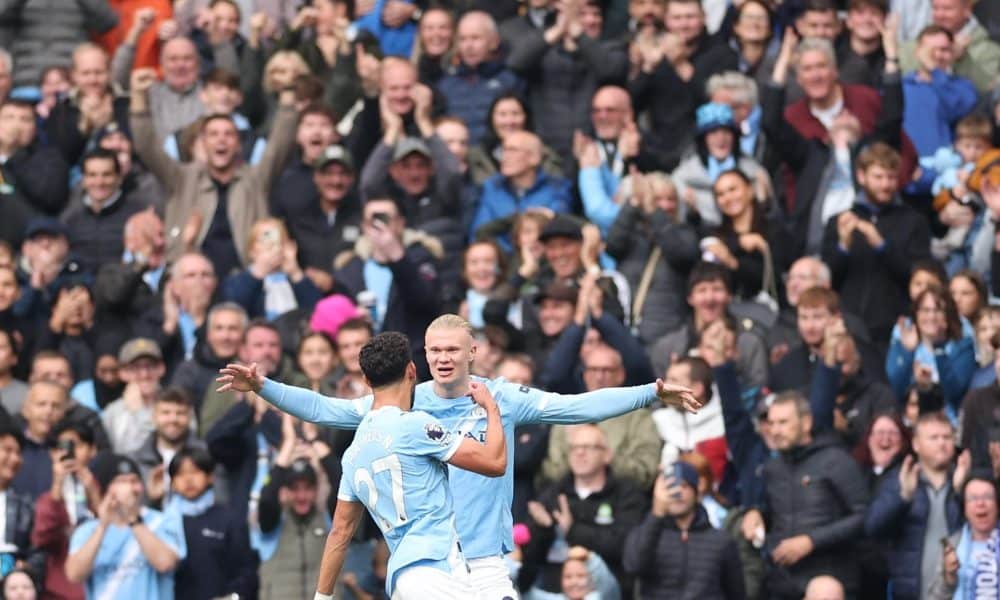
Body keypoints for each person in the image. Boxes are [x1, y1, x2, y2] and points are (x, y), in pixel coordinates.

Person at [219, 313, 699, 598]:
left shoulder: (502, 397)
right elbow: (329, 409)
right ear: (420, 358)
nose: (443, 358)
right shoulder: (406, 403)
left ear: (474, 351)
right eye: (433, 351)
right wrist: (264, 387)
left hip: (485, 558)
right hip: (432, 562)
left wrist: (649, 393)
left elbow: (575, 407)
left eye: (452, 349)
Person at [307, 331, 508, 598]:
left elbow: (339, 532)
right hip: (436, 572)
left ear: (366, 380)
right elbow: (494, 463)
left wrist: (322, 596)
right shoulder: (415, 425)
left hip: (401, 578)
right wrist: (491, 408)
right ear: (412, 370)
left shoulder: (353, 454)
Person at [128, 67, 299, 275]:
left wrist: (288, 91)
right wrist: (138, 97)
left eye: (229, 135)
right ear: (203, 142)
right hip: (189, 276)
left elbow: (280, 144)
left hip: (246, 276)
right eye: (213, 134)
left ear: (238, 144)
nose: (221, 140)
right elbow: (147, 147)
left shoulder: (255, 179)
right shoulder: (182, 178)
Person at [740, 391, 870, 598]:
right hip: (781, 583)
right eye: (771, 423)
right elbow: (766, 510)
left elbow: (864, 517)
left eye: (783, 422)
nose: (775, 430)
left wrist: (811, 541)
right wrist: (754, 512)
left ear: (806, 422)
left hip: (830, 577)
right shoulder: (772, 468)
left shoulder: (836, 460)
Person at [521, 424, 647, 595]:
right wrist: (544, 528)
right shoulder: (552, 494)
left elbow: (625, 548)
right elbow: (529, 557)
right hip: (554, 591)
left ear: (607, 455)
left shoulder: (627, 495)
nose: (580, 453)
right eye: (574, 448)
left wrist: (573, 530)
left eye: (589, 447)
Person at [865, 411, 967, 600]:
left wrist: (962, 492)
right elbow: (873, 527)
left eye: (947, 437)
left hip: (959, 591)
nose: (942, 443)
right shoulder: (899, 479)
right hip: (910, 592)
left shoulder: (965, 479)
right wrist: (903, 497)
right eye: (933, 437)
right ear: (916, 444)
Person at [65, 453, 186, 600]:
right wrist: (103, 526)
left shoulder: (162, 521)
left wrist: (133, 519)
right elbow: (74, 575)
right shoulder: (87, 530)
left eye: (135, 481)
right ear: (106, 489)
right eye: (121, 481)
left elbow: (166, 563)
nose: (131, 488)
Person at [622, 460, 744, 599]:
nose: (677, 492)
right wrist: (656, 514)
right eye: (670, 487)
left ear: (697, 492)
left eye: (684, 486)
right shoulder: (646, 532)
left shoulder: (721, 541)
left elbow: (737, 594)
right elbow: (633, 565)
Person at [167, 446, 258, 600]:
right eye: (180, 474)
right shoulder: (165, 521)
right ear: (172, 483)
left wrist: (233, 597)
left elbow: (246, 570)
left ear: (210, 477)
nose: (188, 479)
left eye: (195, 471)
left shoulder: (229, 518)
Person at [31, 419, 100, 600]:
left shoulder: (104, 487)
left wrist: (93, 491)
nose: (70, 453)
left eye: (76, 445)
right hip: (60, 589)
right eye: (62, 447)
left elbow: (114, 531)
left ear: (92, 450)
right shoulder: (46, 493)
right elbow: (43, 537)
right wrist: (57, 488)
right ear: (52, 453)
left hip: (102, 585)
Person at [928, 475, 1000, 599]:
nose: (980, 503)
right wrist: (949, 577)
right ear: (964, 507)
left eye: (987, 497)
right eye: (973, 498)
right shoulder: (952, 546)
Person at [101, 338, 166, 455]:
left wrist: (139, 412)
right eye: (135, 368)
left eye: (150, 366)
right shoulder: (112, 412)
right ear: (122, 373)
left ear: (161, 368)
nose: (144, 374)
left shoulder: (176, 405)